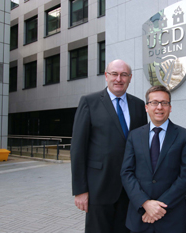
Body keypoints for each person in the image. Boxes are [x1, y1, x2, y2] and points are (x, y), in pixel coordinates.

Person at [70, 59, 148, 233]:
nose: (118, 79)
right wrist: (80, 190)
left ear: (130, 78)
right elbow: (77, 149)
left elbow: (142, 148)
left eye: (124, 75)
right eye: (114, 74)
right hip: (99, 187)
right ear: (106, 76)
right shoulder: (89, 102)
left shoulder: (138, 105)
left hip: (130, 189)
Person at [121, 85, 186, 233]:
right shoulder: (134, 136)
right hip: (140, 216)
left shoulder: (184, 136)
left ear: (170, 107)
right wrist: (145, 203)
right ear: (147, 107)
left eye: (164, 103)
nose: (159, 107)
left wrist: (158, 207)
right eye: (154, 102)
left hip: (171, 217)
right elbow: (126, 172)